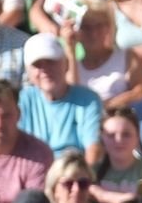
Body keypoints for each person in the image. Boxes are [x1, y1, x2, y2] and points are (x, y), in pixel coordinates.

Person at [17, 34, 102, 164]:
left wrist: (83, 180)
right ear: (28, 72)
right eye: (37, 65)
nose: (45, 70)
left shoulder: (88, 99)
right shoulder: (23, 100)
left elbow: (93, 150)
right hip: (34, 173)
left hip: (73, 173)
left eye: (51, 62)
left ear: (66, 64)